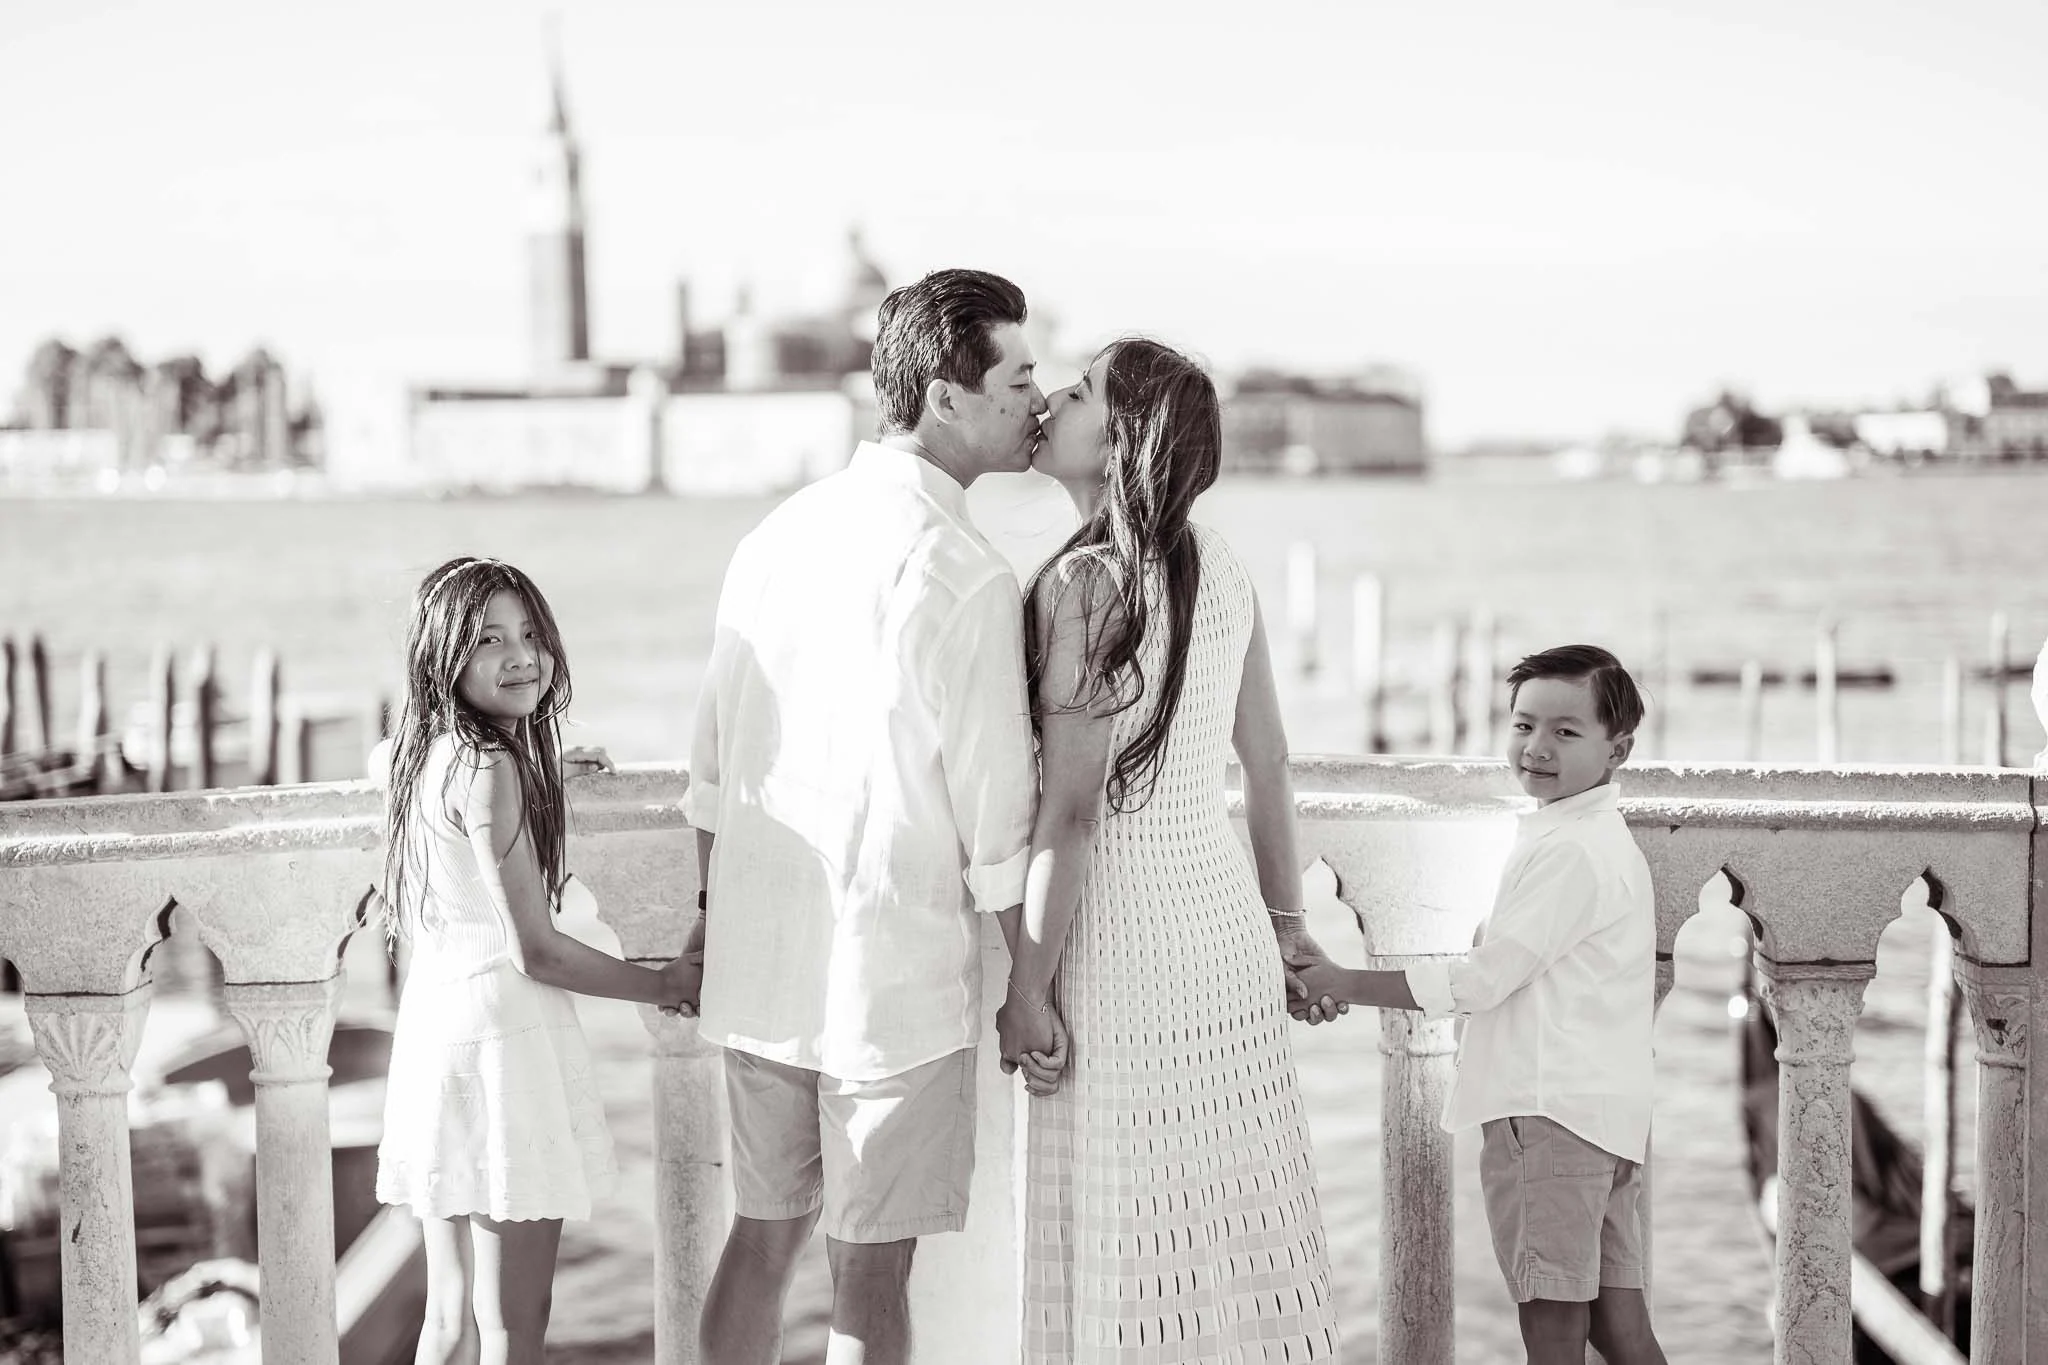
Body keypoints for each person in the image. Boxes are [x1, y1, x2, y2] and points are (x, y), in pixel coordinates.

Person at [683, 268, 1048, 1365]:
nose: (1038, 399)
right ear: (946, 396)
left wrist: (713, 921)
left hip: (758, 963)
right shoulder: (962, 573)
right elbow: (998, 829)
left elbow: (709, 772)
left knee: (760, 1240)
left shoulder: (773, 536)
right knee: (869, 1277)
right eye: (1019, 378)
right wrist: (1028, 987)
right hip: (890, 983)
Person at [1000, 336, 1343, 1363]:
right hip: (1222, 937)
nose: (1050, 399)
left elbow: (1069, 818)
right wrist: (1287, 928)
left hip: (1123, 949)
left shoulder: (1089, 586)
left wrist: (1026, 986)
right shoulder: (1216, 562)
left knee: (1122, 1243)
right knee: (1223, 1245)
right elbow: (1268, 764)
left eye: (1080, 391)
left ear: (1118, 444)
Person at [1290, 644, 1668, 1365]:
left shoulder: (1571, 853)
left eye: (1565, 731)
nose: (1536, 746)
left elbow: (1483, 979)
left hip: (1552, 1120)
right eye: (1524, 725)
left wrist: (1344, 979)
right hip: (1607, 1120)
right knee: (1622, 1330)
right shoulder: (1593, 837)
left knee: (1552, 1333)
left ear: (1618, 749)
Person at [373, 555, 699, 1365]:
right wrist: (661, 983)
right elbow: (538, 950)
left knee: (447, 1319)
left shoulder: (415, 760)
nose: (519, 654)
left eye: (528, 633)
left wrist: (542, 769)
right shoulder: (489, 768)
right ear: (441, 657)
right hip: (502, 1041)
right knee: (517, 1324)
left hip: (433, 1029)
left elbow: (407, 773)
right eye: (488, 639)